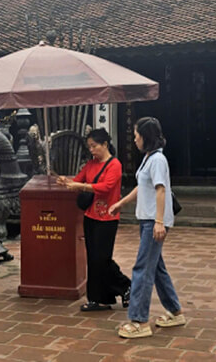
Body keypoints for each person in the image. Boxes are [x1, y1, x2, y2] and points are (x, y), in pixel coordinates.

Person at [109, 116, 185, 339]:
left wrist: (160, 222)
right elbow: (142, 188)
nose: (134, 140)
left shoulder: (158, 160)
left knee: (142, 268)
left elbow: (161, 190)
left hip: (154, 221)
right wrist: (121, 203)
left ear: (146, 137)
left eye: (137, 136)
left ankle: (139, 321)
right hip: (148, 220)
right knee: (156, 268)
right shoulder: (148, 158)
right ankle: (175, 311)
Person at [55, 128, 131, 311]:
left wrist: (79, 185)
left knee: (102, 259)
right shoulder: (90, 164)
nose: (91, 150)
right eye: (89, 146)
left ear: (105, 144)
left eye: (94, 146)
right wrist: (67, 181)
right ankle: (99, 298)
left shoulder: (115, 165)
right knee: (93, 259)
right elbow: (79, 179)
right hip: (90, 215)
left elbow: (106, 187)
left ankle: (126, 285)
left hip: (108, 217)